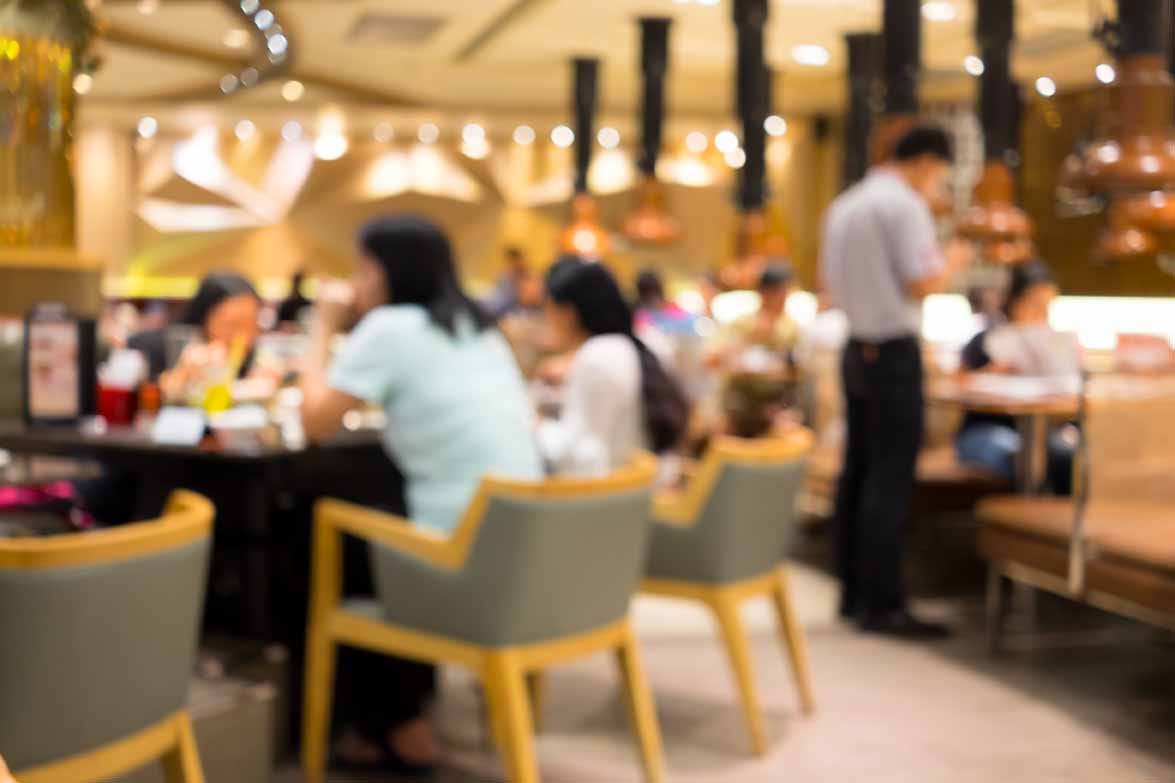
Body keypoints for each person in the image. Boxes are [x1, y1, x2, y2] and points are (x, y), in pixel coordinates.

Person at [299, 215, 542, 772]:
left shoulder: (390, 328)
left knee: (319, 533)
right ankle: (397, 716)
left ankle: (387, 721)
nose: (357, 282)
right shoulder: (477, 326)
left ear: (385, 270)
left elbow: (315, 422)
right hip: (517, 545)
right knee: (374, 514)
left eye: (362, 268)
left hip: (457, 555)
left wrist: (322, 327)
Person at [821, 125, 973, 639]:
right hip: (892, 351)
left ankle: (850, 593)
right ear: (928, 161)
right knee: (890, 477)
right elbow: (922, 280)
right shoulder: (904, 206)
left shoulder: (845, 205)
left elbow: (828, 285)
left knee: (857, 472)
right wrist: (955, 258)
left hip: (854, 347)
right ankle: (884, 605)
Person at [537, 256, 689, 475]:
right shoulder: (648, 342)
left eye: (548, 309)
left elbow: (578, 456)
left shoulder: (598, 355)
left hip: (615, 497)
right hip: (649, 489)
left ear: (568, 313)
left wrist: (536, 428)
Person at [956, 262, 1079, 492]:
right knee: (1017, 456)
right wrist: (990, 374)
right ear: (1014, 301)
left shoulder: (1058, 344)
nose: (1041, 313)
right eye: (1034, 304)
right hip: (986, 430)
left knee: (1065, 455)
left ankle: (1048, 522)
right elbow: (957, 387)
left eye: (1047, 306)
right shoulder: (985, 341)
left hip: (1043, 431)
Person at [127, 272, 262, 387]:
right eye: (232, 325)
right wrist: (181, 375)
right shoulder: (153, 347)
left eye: (252, 326)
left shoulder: (250, 357)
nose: (243, 337)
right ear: (203, 318)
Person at [481, 246, 537, 321]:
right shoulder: (505, 276)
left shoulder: (529, 276)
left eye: (515, 261)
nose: (513, 265)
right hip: (507, 311)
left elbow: (528, 299)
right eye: (510, 262)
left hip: (522, 313)